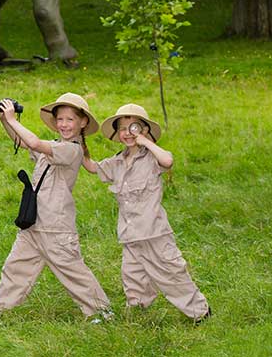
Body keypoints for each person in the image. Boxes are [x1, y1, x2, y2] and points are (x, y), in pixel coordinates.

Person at [82, 103, 210, 323]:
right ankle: (139, 309)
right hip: (130, 234)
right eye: (122, 128)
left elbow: (168, 161)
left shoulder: (151, 158)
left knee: (171, 272)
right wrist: (79, 143)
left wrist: (145, 142)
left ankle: (199, 312)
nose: (128, 132)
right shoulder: (117, 162)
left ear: (144, 130)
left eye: (134, 127)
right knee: (132, 275)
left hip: (154, 232)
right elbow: (93, 167)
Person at [0, 93, 112, 321]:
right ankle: (1, 309)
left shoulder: (72, 150)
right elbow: (24, 142)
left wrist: (14, 120)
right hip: (33, 223)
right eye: (60, 119)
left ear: (83, 122)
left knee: (72, 270)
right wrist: (5, 121)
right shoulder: (55, 145)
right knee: (15, 266)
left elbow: (35, 142)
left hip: (56, 226)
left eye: (70, 119)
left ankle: (101, 310)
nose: (63, 124)